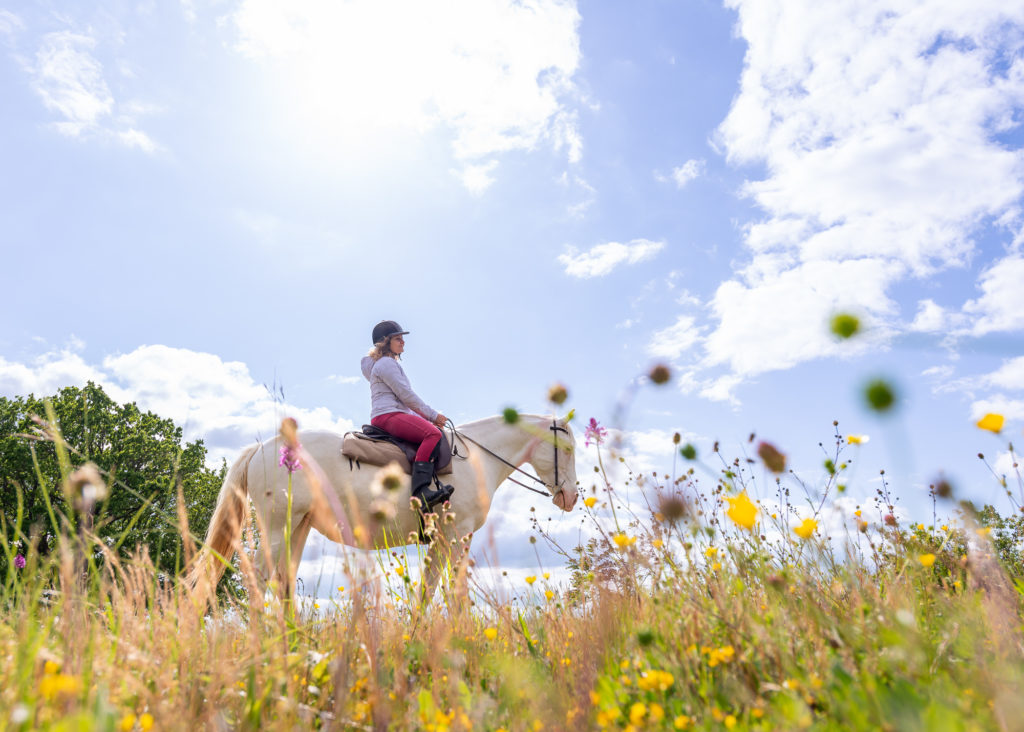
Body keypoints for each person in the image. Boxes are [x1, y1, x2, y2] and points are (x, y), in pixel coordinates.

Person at [360, 320, 454, 512]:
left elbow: (405, 403)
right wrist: (433, 415)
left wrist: (426, 419)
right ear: (385, 342)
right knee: (433, 435)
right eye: (398, 338)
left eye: (402, 338)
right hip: (388, 415)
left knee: (429, 430)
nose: (403, 342)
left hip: (391, 414)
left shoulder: (384, 363)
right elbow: (406, 396)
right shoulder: (386, 364)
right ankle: (420, 492)